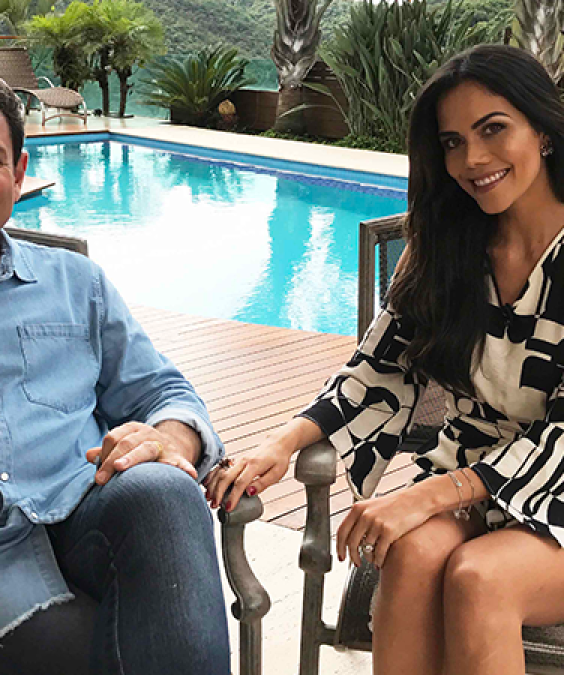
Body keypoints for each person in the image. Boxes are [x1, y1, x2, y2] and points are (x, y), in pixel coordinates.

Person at [206, 44, 564, 675]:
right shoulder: (449, 249)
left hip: (555, 490)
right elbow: (377, 368)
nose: (472, 160)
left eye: (493, 129)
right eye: (452, 142)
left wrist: (427, 496)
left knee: (480, 577)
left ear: (543, 129)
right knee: (412, 552)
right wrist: (280, 445)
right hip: (473, 475)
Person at [0, 64, 230, 675]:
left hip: (82, 519)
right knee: (106, 646)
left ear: (18, 173)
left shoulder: (76, 283)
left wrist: (169, 441)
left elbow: (163, 391)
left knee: (164, 492)